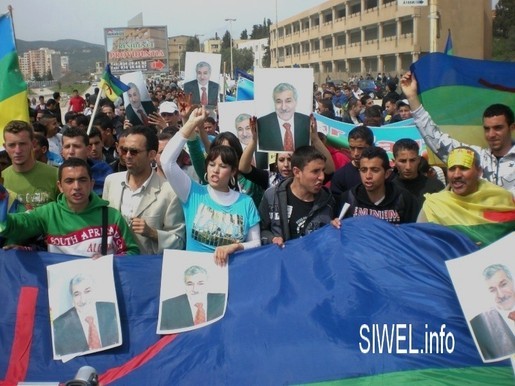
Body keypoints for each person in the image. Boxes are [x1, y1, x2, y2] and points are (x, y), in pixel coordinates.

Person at [160, 106, 261, 266]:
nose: (215, 170)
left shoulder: (246, 202)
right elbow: (166, 161)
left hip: (233, 276)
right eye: (212, 164)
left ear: (233, 171)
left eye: (222, 166)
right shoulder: (192, 192)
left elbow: (256, 243)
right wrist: (191, 123)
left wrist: (234, 247)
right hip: (195, 277)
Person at [401, 71, 515, 196]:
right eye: (487, 129)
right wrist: (412, 97)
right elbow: (437, 140)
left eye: (498, 128)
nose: (491, 134)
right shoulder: (475, 157)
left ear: (512, 128)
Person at [0, 158, 139, 256]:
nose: (76, 187)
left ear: (91, 184)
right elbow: (18, 225)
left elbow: (132, 253)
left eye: (82, 180)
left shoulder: (112, 216)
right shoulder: (49, 213)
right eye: (69, 181)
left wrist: (109, 262)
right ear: (60, 186)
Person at [103, 126, 186, 255]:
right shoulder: (111, 182)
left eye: (134, 152)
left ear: (151, 155)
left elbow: (178, 241)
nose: (128, 156)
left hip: (147, 267)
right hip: (113, 263)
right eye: (124, 150)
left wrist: (152, 233)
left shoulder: (170, 192)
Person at [417, 147, 515, 247]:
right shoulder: (434, 205)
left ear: (479, 171)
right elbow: (421, 245)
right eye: (452, 168)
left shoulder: (503, 200)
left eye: (463, 168)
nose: (456, 175)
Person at [259, 146, 336, 247]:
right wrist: (272, 239)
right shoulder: (272, 196)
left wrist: (335, 228)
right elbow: (261, 230)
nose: (322, 177)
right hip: (281, 260)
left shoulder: (328, 200)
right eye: (315, 171)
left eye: (323, 170)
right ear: (297, 172)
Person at [332, 146, 420, 225]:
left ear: (387, 173)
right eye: (363, 170)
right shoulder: (348, 198)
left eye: (375, 170)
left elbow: (413, 234)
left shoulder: (404, 199)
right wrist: (334, 224)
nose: (368, 176)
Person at [52, 273, 120, 356]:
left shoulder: (113, 310)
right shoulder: (59, 326)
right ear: (72, 298)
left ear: (95, 292)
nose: (83, 300)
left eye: (87, 291)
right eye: (77, 294)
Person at [2, 120, 59, 211]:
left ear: (33, 144)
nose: (18, 150)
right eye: (12, 145)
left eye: (22, 144)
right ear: (5, 147)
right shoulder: (1, 180)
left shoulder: (56, 175)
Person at [469, 264, 515, 361]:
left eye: (503, 284)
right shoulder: (477, 327)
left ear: (512, 281)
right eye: (492, 290)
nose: (501, 295)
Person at [160, 265, 225, 330]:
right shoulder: (167, 306)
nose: (195, 289)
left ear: (208, 282)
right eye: (190, 284)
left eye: (200, 283)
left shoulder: (223, 300)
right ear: (184, 284)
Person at [257, 82, 310, 152]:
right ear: (274, 103)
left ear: (296, 102)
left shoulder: (307, 122)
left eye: (288, 101)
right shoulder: (261, 124)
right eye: (279, 102)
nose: (284, 107)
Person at [61, 127, 113, 195]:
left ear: (88, 149)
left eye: (76, 146)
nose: (71, 152)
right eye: (67, 147)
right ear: (62, 151)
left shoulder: (104, 172)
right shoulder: (54, 174)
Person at [391, 138, 444, 203]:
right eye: (403, 161)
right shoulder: (388, 190)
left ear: (419, 159)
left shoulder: (435, 187)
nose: (408, 167)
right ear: (394, 162)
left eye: (412, 160)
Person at [330, 125, 374, 202]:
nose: (356, 153)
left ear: (371, 147)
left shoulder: (382, 173)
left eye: (361, 148)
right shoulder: (340, 175)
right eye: (352, 148)